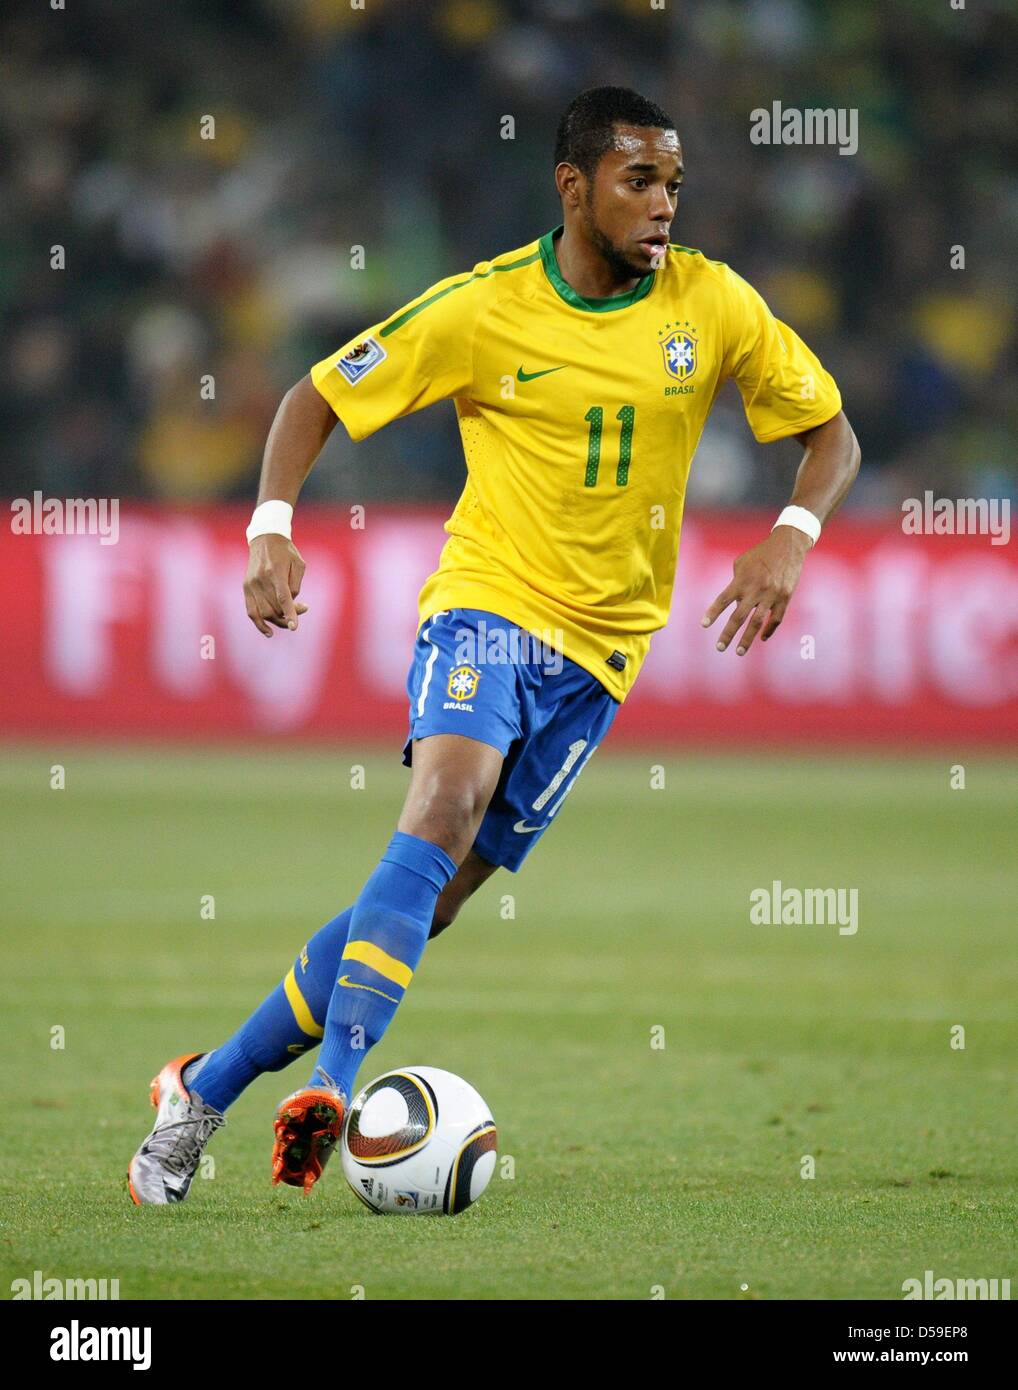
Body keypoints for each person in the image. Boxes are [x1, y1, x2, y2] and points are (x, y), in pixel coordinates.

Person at [128, 86, 860, 1205]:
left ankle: (203, 1087)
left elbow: (832, 436)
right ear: (572, 187)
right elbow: (314, 397)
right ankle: (329, 1083)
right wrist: (270, 528)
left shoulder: (712, 303)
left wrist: (789, 541)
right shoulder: (483, 309)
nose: (664, 205)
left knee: (433, 896)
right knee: (444, 802)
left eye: (673, 184)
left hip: (605, 654)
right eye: (638, 182)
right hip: (490, 604)